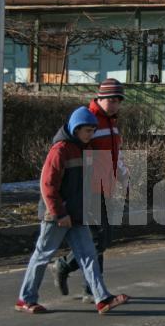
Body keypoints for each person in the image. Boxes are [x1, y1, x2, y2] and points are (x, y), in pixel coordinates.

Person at [15, 106, 129, 314]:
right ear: (76, 129)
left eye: (93, 131)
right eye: (88, 131)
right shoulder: (59, 150)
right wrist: (60, 213)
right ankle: (25, 299)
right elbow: (47, 185)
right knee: (42, 256)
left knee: (89, 255)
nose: (91, 135)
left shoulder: (84, 148)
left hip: (77, 215)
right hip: (57, 216)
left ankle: (102, 299)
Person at [50, 78, 128, 303]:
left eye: (117, 100)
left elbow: (115, 153)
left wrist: (122, 174)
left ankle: (87, 286)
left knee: (102, 239)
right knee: (96, 239)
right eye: (110, 100)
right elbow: (70, 148)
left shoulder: (112, 122)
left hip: (105, 185)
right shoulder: (88, 118)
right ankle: (75, 275)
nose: (114, 104)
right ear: (100, 98)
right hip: (87, 187)